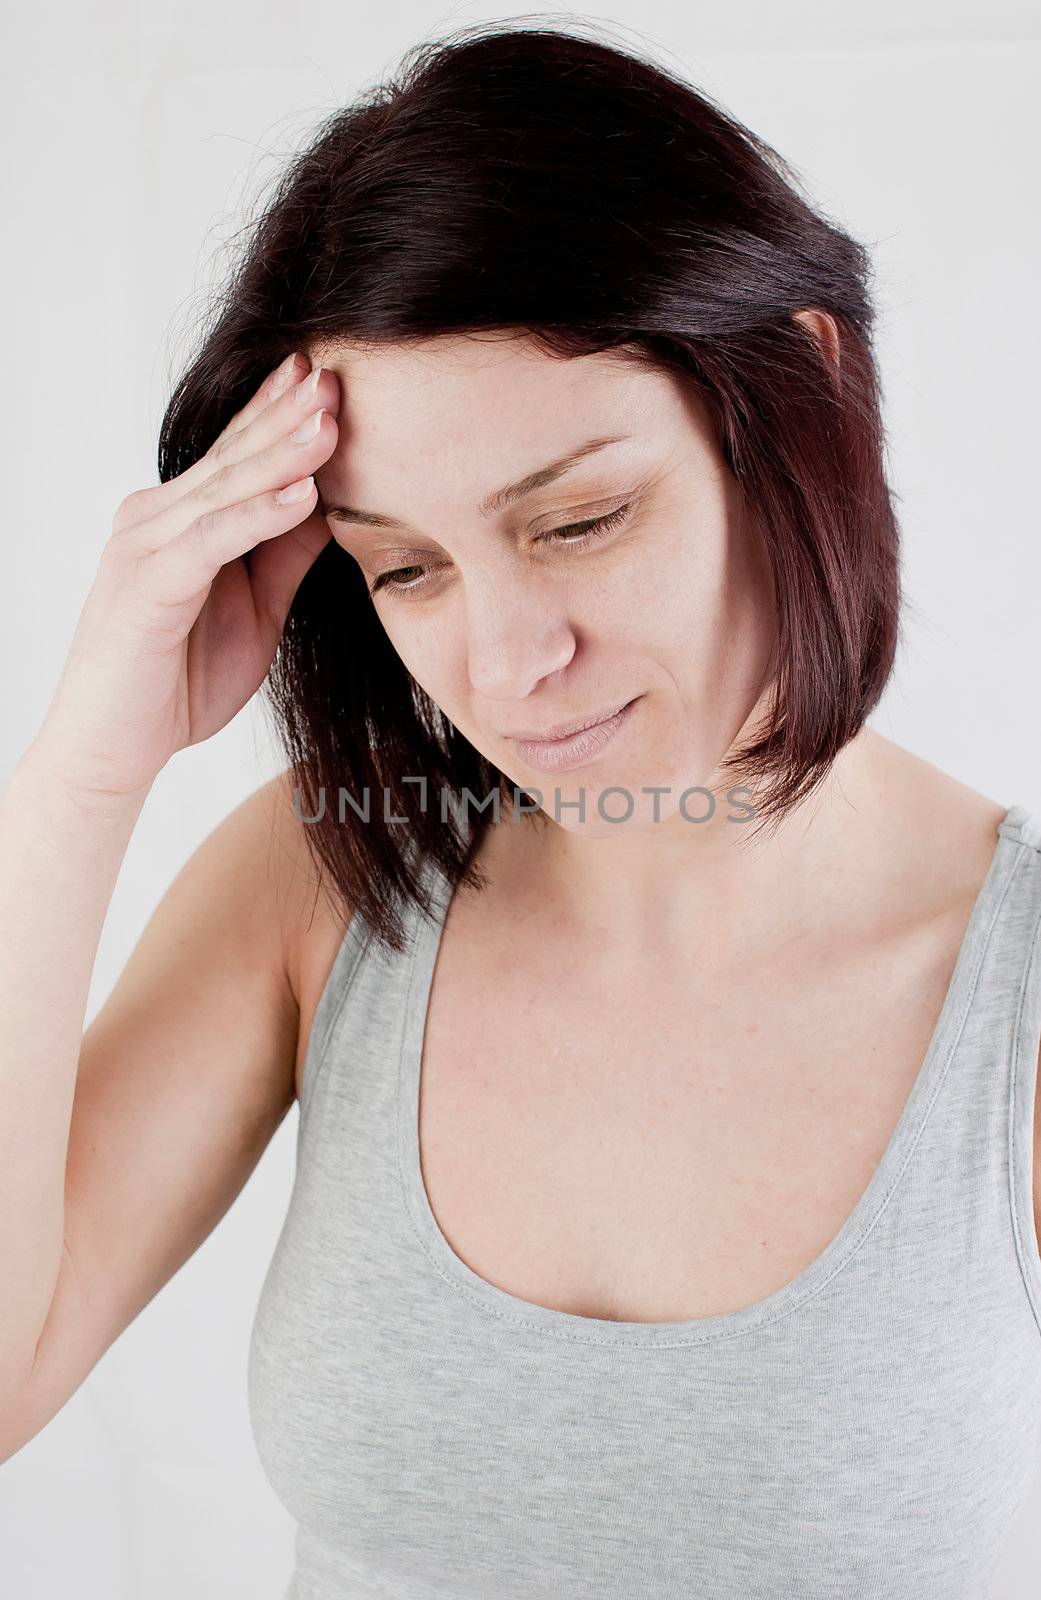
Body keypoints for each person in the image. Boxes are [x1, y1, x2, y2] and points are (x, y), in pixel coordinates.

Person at [2, 20, 1040, 1600]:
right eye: (404, 566)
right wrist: (89, 765)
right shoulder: (326, 880)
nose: (505, 663)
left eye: (578, 520)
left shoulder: (1013, 990)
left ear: (802, 389)